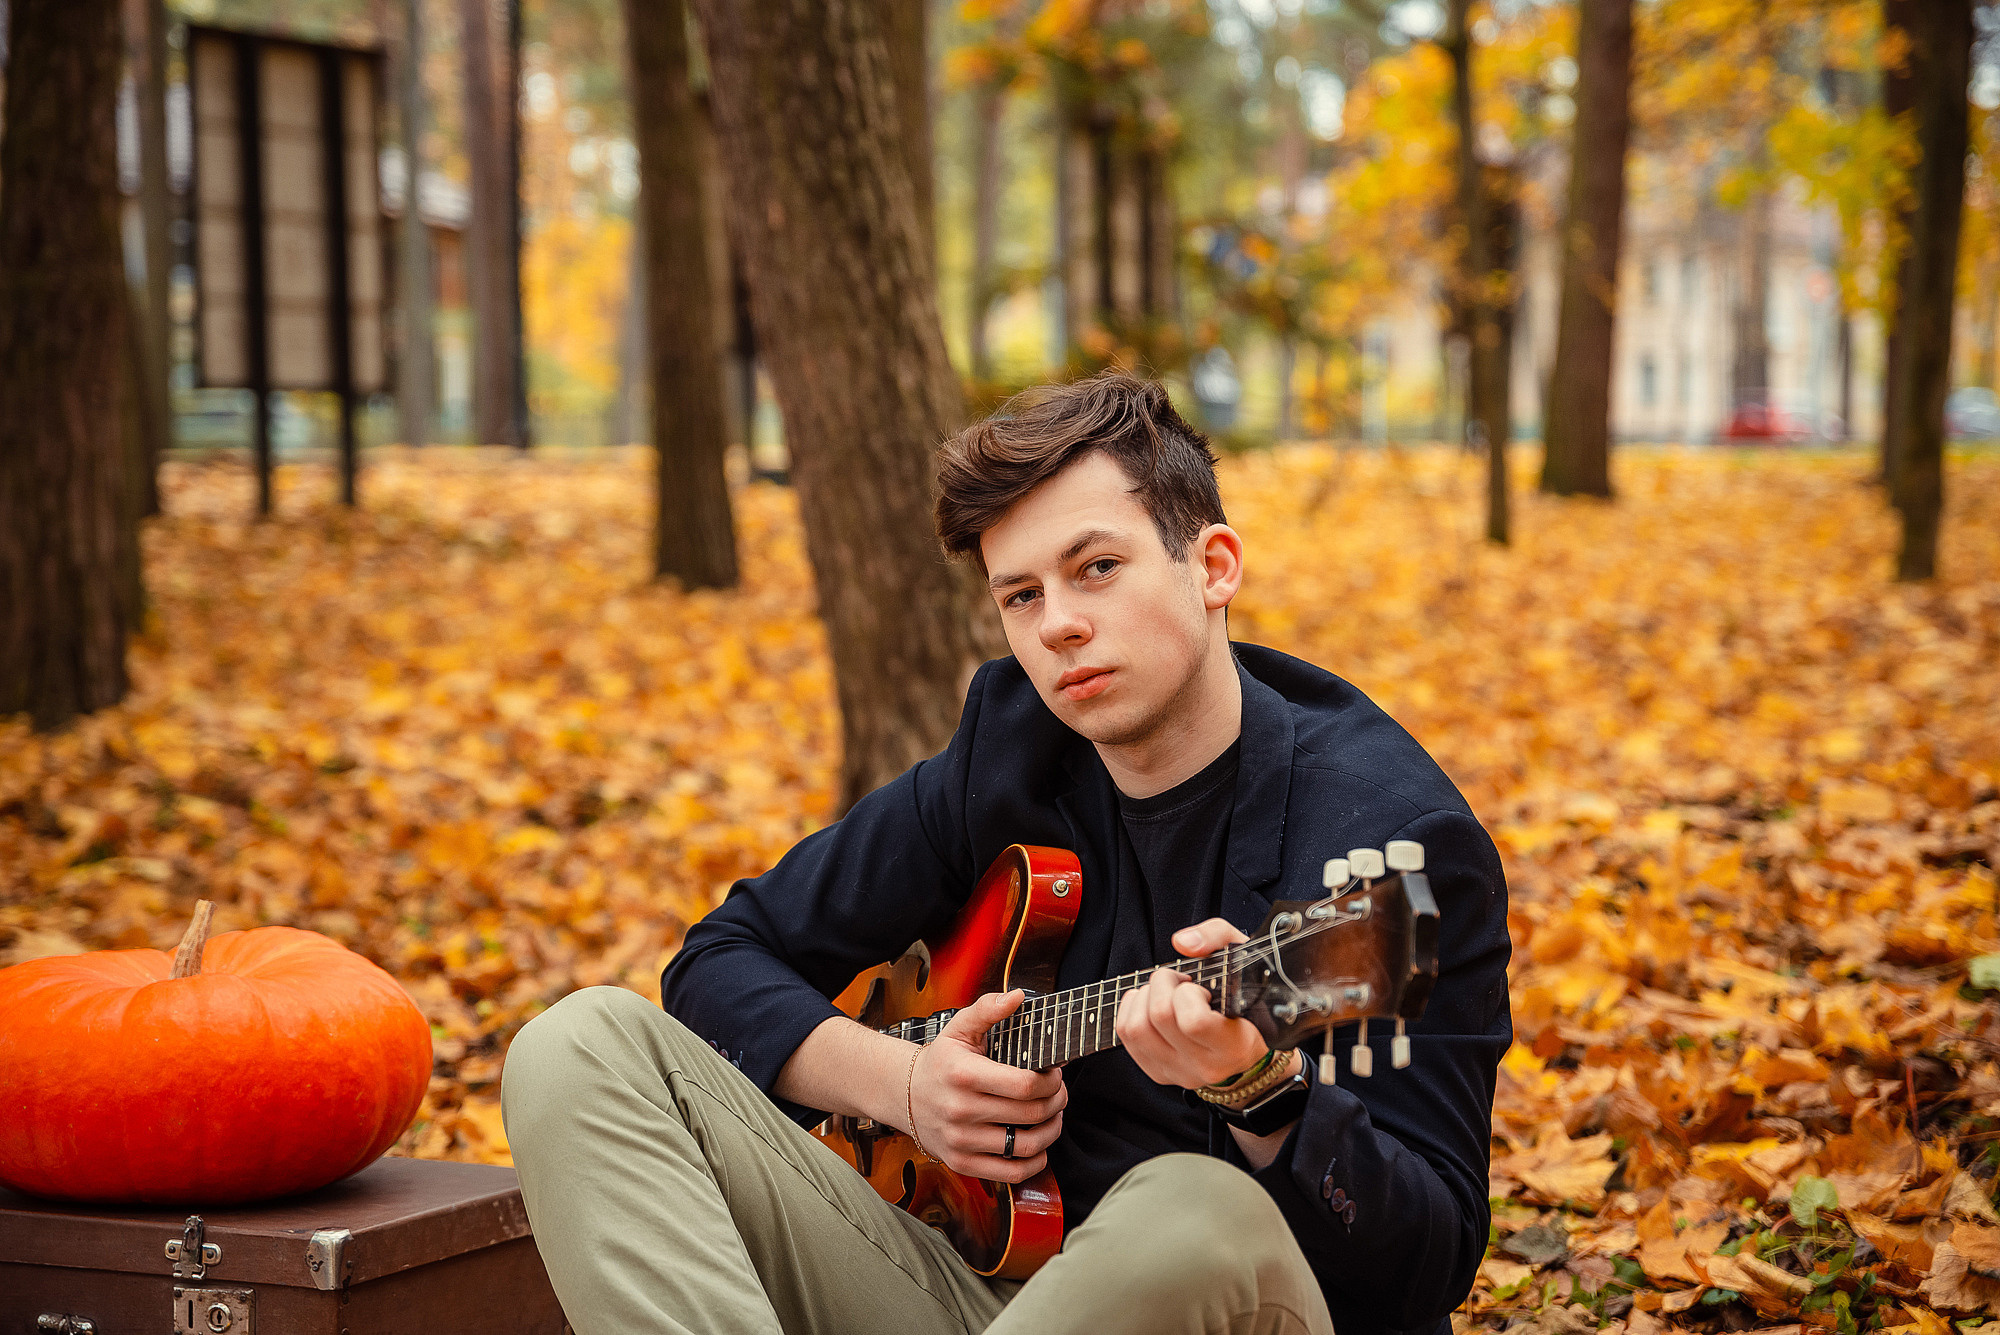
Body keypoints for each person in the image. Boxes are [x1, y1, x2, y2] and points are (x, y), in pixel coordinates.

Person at [501, 373, 1512, 1335]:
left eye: (1097, 568)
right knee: (579, 1045)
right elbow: (721, 959)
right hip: (984, 1290)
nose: (1059, 625)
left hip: (1221, 1299)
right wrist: (906, 1089)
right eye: (1020, 595)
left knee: (1190, 1207)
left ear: (1212, 567)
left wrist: (1260, 1090)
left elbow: (1428, 1262)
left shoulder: (1387, 849)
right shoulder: (1012, 748)